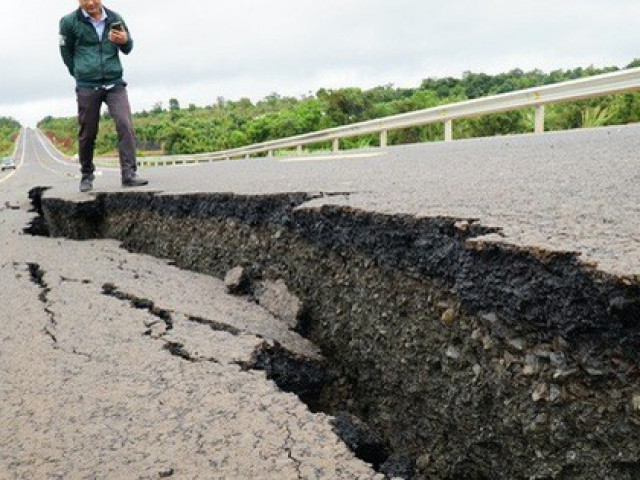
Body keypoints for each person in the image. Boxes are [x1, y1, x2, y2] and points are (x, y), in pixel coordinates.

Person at [59, 0, 148, 192]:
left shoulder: (115, 18)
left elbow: (128, 47)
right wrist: (80, 73)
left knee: (125, 125)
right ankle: (86, 175)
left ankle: (129, 174)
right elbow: (66, 52)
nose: (90, 3)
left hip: (114, 82)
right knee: (88, 132)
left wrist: (125, 41)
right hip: (87, 85)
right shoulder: (68, 22)